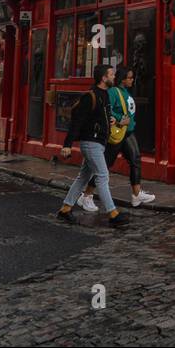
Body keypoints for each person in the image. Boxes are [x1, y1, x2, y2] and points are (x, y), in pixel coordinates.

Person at [56, 64, 128, 228]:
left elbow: (102, 117)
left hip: (100, 143)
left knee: (83, 177)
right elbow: (77, 121)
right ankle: (113, 213)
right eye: (111, 74)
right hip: (91, 142)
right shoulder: (91, 96)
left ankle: (65, 209)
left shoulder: (105, 95)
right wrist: (67, 144)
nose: (113, 77)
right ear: (103, 78)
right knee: (102, 175)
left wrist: (113, 121)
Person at [83, 66, 155, 208]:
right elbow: (106, 108)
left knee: (135, 160)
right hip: (117, 134)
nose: (132, 80)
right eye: (129, 77)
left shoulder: (125, 92)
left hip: (127, 132)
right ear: (122, 80)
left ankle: (136, 194)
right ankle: (87, 195)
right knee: (106, 165)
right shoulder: (113, 92)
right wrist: (120, 118)